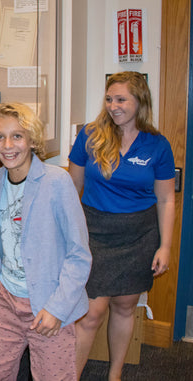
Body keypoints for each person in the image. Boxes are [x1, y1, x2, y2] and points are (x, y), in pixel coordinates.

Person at [69, 71, 175, 380]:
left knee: (126, 306)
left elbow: (167, 200)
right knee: (91, 313)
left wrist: (165, 246)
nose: (113, 106)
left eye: (121, 99)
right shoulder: (89, 135)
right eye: (109, 99)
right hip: (95, 231)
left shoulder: (157, 145)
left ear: (140, 101)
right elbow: (71, 189)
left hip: (139, 233)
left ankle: (114, 374)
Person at [0, 103, 92, 380]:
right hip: (7, 300)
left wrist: (57, 309)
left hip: (48, 304)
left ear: (31, 140)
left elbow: (79, 254)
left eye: (17, 136)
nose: (8, 145)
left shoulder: (57, 182)